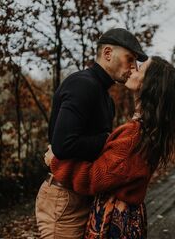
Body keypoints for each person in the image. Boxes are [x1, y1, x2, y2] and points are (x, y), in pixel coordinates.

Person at [44, 56, 175, 238]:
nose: (133, 69)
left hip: (115, 220)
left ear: (150, 84)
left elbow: (94, 178)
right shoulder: (150, 129)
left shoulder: (134, 135)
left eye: (140, 69)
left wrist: (55, 162)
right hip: (129, 215)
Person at [35, 28, 148, 238]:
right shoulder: (82, 84)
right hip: (64, 199)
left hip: (83, 192)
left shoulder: (105, 98)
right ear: (107, 53)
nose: (133, 67)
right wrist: (109, 140)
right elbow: (63, 144)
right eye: (129, 58)